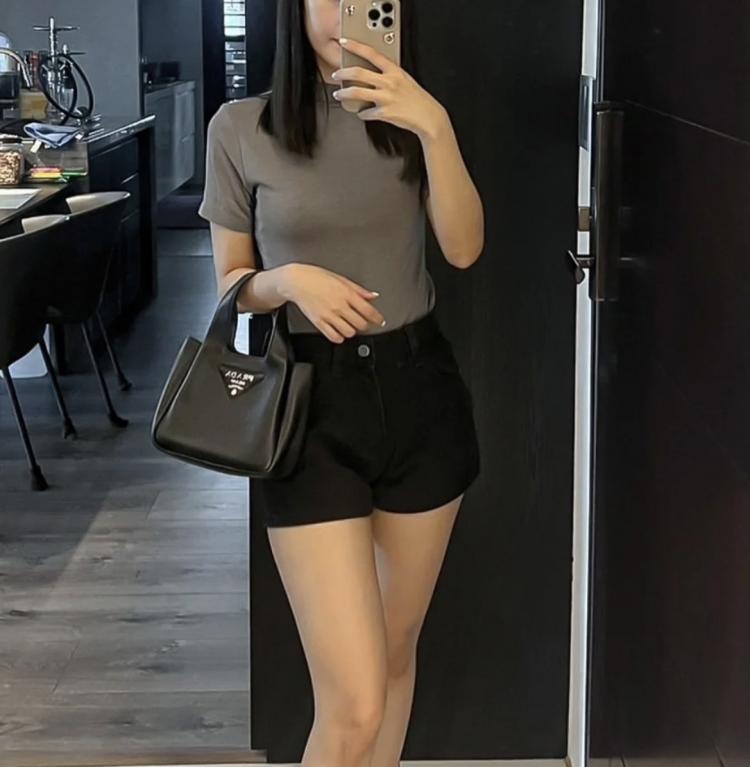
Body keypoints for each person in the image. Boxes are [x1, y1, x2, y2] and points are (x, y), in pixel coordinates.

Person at [199, 1, 484, 764]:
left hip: (420, 392)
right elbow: (230, 283)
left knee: (394, 653)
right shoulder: (240, 128)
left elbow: (463, 249)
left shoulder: (413, 118)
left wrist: (435, 127)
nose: (344, 11)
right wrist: (287, 281)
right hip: (308, 403)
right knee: (354, 702)